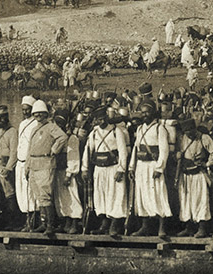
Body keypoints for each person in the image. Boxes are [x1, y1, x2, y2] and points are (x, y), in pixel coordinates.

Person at [84, 108, 130, 236]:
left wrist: (121, 169)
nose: (100, 121)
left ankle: (115, 225)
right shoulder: (94, 133)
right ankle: (104, 224)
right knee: (101, 195)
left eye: (102, 118)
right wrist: (84, 168)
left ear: (106, 117)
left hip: (113, 167)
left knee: (116, 195)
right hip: (99, 169)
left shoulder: (117, 131)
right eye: (98, 119)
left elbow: (122, 152)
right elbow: (87, 151)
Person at [25, 100, 67, 235]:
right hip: (34, 164)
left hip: (45, 163)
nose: (38, 116)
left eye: (40, 114)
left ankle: (50, 225)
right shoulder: (33, 129)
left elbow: (62, 137)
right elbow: (29, 149)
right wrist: (27, 166)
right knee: (38, 195)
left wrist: (54, 150)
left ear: (45, 114)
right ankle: (43, 223)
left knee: (45, 194)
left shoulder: (51, 127)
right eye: (35, 114)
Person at [175, 118, 213, 238]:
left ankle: (202, 228)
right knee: (186, 200)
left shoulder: (203, 137)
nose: (189, 133)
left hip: (198, 174)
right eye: (186, 131)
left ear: (194, 129)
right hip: (185, 174)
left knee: (200, 200)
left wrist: (208, 164)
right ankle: (189, 227)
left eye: (190, 130)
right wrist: (177, 156)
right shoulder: (181, 138)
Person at [130, 102, 171, 237]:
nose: (144, 115)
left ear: (153, 112)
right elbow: (135, 149)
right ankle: (145, 226)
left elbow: (164, 150)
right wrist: (132, 167)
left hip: (153, 165)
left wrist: (159, 168)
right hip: (141, 166)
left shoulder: (160, 129)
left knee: (158, 194)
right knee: (142, 195)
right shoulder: (140, 128)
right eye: (142, 112)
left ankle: (162, 228)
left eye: (147, 112)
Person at [51, 110, 84, 234]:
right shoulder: (55, 139)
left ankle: (75, 221)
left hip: (67, 171)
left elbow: (73, 157)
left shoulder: (71, 138)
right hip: (57, 170)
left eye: (61, 123)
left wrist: (69, 174)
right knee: (60, 197)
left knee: (71, 195)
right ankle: (65, 221)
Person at [0, 105, 19, 226]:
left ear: (7, 117)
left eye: (2, 117)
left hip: (5, 164)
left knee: (9, 192)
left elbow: (14, 152)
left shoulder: (12, 132)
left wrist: (8, 168)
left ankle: (12, 220)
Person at [11, 96, 38, 227]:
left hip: (29, 162)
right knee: (21, 191)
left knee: (30, 193)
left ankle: (32, 221)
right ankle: (26, 219)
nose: (25, 112)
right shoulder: (22, 124)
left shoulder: (35, 124)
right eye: (23, 110)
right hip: (20, 162)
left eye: (27, 110)